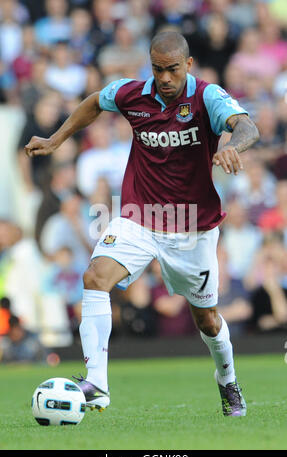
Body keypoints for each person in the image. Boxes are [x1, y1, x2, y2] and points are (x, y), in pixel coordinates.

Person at [25, 32, 259, 417]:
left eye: (171, 69)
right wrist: (56, 139)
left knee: (208, 320)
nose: (164, 78)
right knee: (95, 277)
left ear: (188, 65)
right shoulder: (132, 94)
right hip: (140, 216)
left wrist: (234, 145)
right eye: (157, 69)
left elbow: (247, 125)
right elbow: (94, 103)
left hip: (192, 227)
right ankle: (97, 383)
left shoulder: (206, 97)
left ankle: (228, 382)